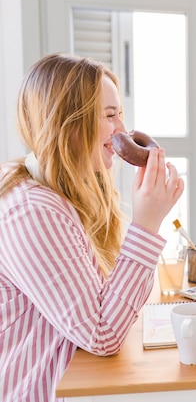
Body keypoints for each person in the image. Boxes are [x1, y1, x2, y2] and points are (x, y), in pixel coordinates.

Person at [0, 53, 184, 401]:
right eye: (110, 115)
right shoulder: (32, 211)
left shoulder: (66, 190)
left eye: (121, 116)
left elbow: (101, 299)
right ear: (69, 122)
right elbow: (102, 333)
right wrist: (147, 223)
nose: (122, 130)